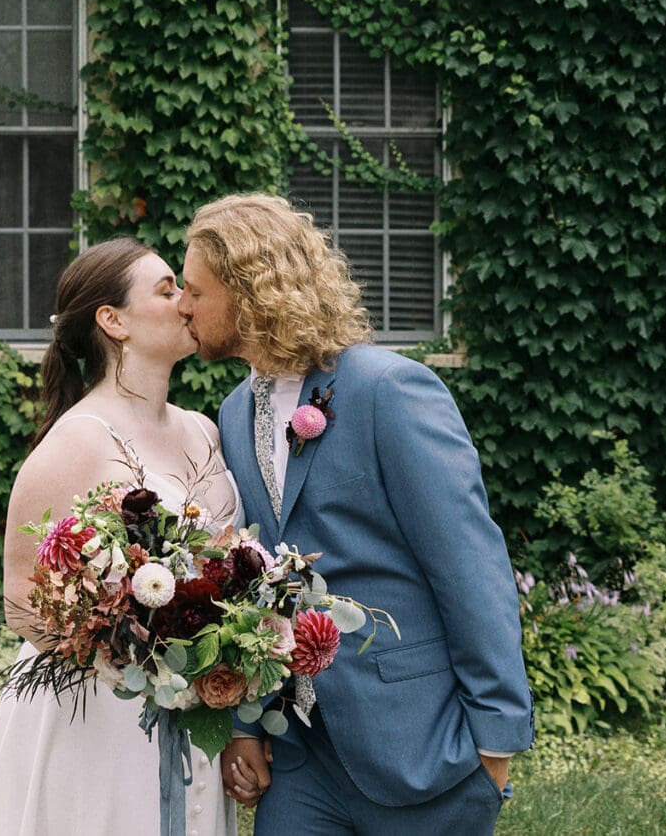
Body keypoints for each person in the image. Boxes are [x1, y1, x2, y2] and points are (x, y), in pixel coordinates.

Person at [178, 193, 532, 836]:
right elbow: (252, 586)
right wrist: (248, 725)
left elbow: (470, 565)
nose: (182, 306)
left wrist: (495, 743)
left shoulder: (388, 389)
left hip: (423, 746)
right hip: (303, 758)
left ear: (247, 290)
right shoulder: (232, 413)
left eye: (195, 291)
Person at [0, 238, 241, 836]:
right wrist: (130, 659)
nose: (187, 302)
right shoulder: (79, 439)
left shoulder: (205, 430)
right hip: (98, 718)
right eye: (168, 290)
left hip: (191, 708)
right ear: (113, 322)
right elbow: (19, 599)